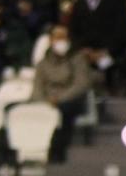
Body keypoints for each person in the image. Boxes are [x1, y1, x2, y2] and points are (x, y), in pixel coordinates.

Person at [31, 24, 93, 163]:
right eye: (58, 37)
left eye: (64, 37)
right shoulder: (43, 63)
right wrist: (45, 101)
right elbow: (37, 88)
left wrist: (59, 99)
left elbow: (81, 84)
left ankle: (57, 155)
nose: (61, 41)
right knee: (12, 109)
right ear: (51, 40)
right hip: (47, 101)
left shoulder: (77, 59)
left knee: (64, 112)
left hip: (69, 100)